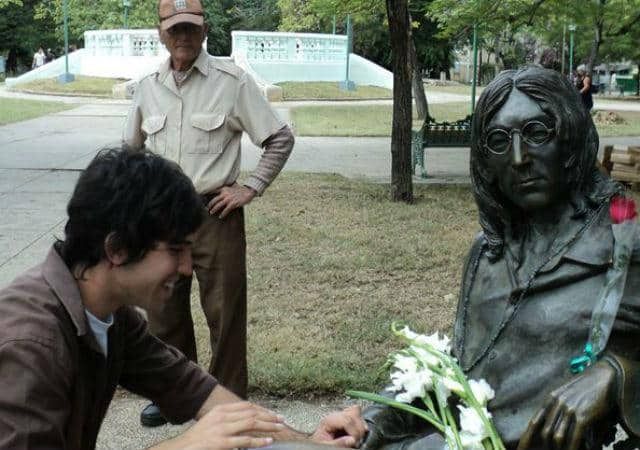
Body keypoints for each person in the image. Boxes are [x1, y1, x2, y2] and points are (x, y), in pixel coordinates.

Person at [0, 147, 366, 450]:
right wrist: (183, 447)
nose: (188, 268)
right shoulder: (31, 345)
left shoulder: (109, 314)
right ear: (117, 249)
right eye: (176, 250)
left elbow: (195, 390)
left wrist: (309, 444)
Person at [360, 66, 640, 450]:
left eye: (537, 132)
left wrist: (615, 374)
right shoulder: (487, 253)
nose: (519, 157)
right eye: (498, 141)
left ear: (571, 136)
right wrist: (371, 419)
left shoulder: (623, 244)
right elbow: (460, 371)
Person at [124, 0, 295, 426]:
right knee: (163, 309)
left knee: (225, 312)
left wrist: (250, 187)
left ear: (204, 31)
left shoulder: (231, 81)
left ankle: (230, 403)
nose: (183, 36)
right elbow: (131, 154)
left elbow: (279, 137)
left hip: (214, 214)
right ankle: (175, 396)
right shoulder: (146, 85)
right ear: (161, 32)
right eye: (174, 28)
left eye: (190, 28)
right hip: (163, 218)